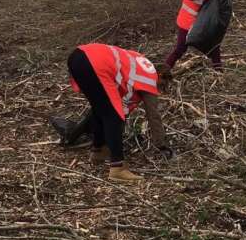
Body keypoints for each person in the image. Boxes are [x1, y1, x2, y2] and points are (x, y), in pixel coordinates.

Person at [67, 43, 172, 182]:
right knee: (114, 116)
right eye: (162, 85)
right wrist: (162, 145)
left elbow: (115, 105)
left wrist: (75, 134)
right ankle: (118, 168)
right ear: (161, 75)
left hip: (78, 56)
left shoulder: (138, 63)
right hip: (96, 63)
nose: (158, 90)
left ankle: (98, 151)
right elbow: (153, 115)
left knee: (101, 108)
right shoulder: (150, 78)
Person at [166, 0, 226, 71]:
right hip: (187, 22)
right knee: (180, 49)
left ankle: (219, 71)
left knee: (214, 46)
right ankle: (163, 70)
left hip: (196, 23)